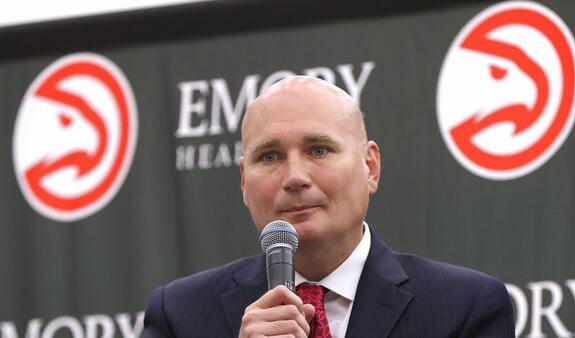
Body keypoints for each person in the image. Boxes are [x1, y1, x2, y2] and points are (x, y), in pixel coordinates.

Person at [142, 76, 515, 338]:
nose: (295, 176)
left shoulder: (466, 307)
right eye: (270, 156)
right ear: (243, 181)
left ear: (370, 166)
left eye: (318, 150)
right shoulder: (179, 315)